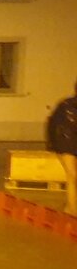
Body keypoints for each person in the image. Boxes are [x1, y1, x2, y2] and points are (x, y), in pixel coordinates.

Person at [46, 79, 77, 215]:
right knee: (72, 176)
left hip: (67, 144)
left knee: (73, 176)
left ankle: (70, 207)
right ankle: (72, 210)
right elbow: (53, 125)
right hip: (66, 144)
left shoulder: (64, 105)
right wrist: (52, 144)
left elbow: (50, 123)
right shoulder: (65, 106)